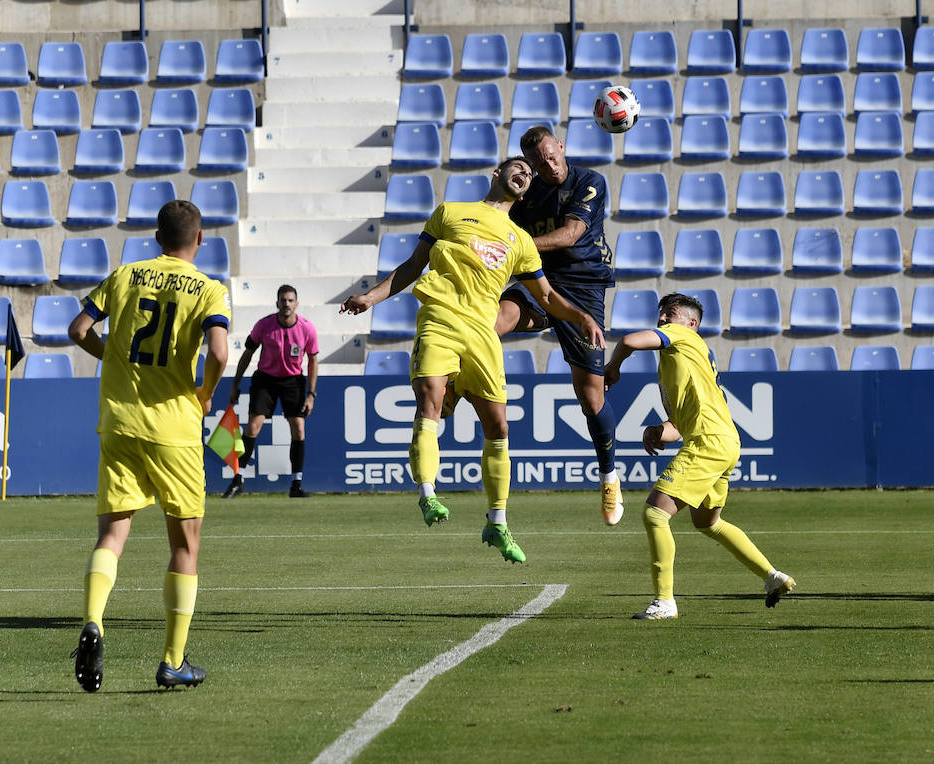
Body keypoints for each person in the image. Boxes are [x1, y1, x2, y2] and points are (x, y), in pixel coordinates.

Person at [340, 156, 604, 564]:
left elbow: (547, 297)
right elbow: (413, 266)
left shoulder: (519, 240)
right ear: (496, 174)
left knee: (498, 427)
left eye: (530, 174)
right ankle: (428, 495)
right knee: (430, 401)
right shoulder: (450, 212)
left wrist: (581, 316)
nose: (526, 174)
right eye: (519, 167)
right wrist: (369, 297)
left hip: (483, 332)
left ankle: (497, 522)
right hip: (441, 319)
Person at [68, 199, 231, 691]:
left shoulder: (124, 275)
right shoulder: (209, 289)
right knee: (185, 543)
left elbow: (78, 330)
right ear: (198, 240)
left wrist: (112, 355)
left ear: (156, 238)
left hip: (118, 422)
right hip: (175, 429)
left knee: (111, 535)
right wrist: (203, 394)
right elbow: (220, 352)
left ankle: (93, 621)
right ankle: (173, 660)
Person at [603, 292, 794, 620]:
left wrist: (613, 367)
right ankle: (772, 576)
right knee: (708, 522)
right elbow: (679, 424)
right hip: (724, 441)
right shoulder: (681, 359)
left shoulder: (682, 337)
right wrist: (657, 431)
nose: (662, 318)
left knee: (655, 514)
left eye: (670, 313)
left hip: (708, 442)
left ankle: (665, 602)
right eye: (661, 313)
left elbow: (630, 341)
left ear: (691, 323)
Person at [496, 126, 622, 526]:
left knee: (591, 398)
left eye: (553, 156)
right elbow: (494, 219)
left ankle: (609, 475)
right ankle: (454, 384)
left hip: (584, 287)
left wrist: (516, 247)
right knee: (494, 319)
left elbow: (570, 235)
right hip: (540, 281)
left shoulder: (589, 181)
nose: (549, 166)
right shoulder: (525, 192)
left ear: (562, 147)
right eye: (540, 162)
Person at [222, 284, 319, 499]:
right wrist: (235, 383)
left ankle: (296, 484)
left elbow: (313, 360)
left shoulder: (307, 328)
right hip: (265, 379)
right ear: (277, 303)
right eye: (283, 300)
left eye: (290, 300)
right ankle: (238, 480)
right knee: (253, 427)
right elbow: (247, 353)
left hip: (293, 381)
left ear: (297, 303)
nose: (286, 304)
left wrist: (311, 394)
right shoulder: (264, 325)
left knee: (298, 427)